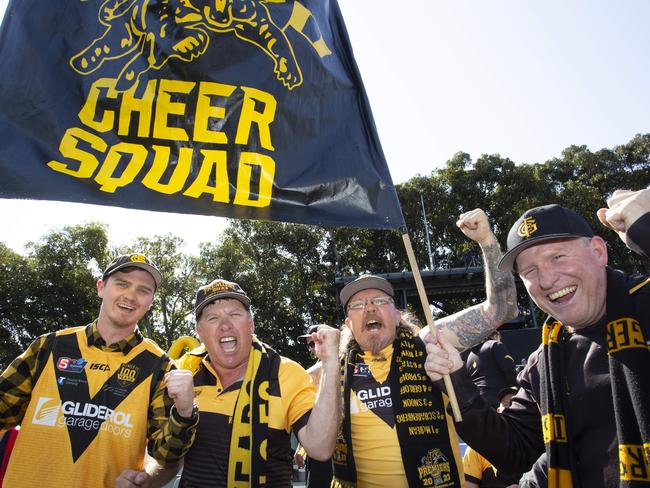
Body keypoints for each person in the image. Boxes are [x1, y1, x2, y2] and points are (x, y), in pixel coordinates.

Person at [424, 189, 650, 488]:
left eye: (557, 257)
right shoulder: (546, 361)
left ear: (598, 251)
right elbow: (515, 452)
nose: (546, 280)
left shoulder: (644, 305)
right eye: (530, 271)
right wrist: (456, 381)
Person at [331, 209, 519, 487]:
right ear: (349, 323)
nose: (369, 307)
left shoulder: (429, 343)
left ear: (397, 315)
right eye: (358, 305)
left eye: (381, 301)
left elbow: (501, 310)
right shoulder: (332, 370)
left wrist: (487, 242)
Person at [0, 253, 198, 488]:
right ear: (101, 287)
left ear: (150, 302)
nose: (131, 296)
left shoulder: (160, 367)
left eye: (143, 290)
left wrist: (186, 412)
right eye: (122, 284)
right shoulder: (48, 346)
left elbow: (167, 456)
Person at [149, 278, 341, 487]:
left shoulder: (285, 372)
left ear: (251, 324)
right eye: (213, 318)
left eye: (235, 314)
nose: (225, 325)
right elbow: (163, 452)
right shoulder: (183, 372)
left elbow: (320, 448)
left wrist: (331, 362)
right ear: (199, 331)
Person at [294, 324, 334, 488]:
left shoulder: (337, 363)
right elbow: (313, 411)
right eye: (310, 344)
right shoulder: (318, 369)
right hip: (319, 443)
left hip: (337, 447)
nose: (311, 349)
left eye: (315, 343)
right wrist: (301, 446)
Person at [462, 388, 520, 488]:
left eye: (516, 405)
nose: (510, 408)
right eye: (506, 405)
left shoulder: (537, 444)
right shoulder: (477, 448)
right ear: (498, 411)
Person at [466, 330, 518, 408]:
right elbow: (509, 369)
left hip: (478, 403)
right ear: (495, 336)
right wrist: (518, 390)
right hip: (498, 400)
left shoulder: (470, 357)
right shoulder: (495, 344)